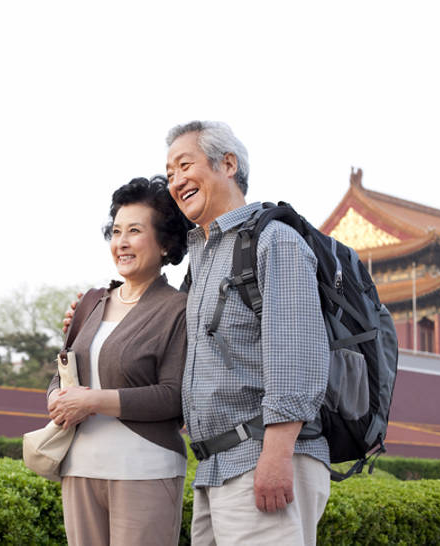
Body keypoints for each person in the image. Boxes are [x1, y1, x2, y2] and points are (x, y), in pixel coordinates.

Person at [165, 121, 330, 545]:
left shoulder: (274, 240)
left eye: (185, 165)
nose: (176, 180)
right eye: (169, 174)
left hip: (262, 456)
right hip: (218, 466)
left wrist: (276, 457)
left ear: (229, 164)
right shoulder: (203, 257)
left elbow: (297, 355)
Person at [47, 176, 193, 545]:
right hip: (79, 469)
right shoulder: (92, 302)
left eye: (134, 231)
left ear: (165, 243)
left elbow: (174, 395)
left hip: (144, 469)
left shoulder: (179, 309)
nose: (121, 243)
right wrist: (56, 400)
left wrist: (93, 401)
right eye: (115, 232)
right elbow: (63, 372)